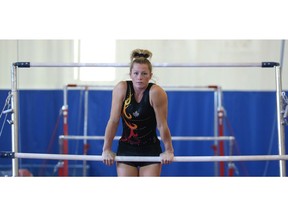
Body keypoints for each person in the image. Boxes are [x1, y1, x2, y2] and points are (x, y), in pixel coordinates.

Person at [102, 49, 174, 176]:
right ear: (130, 74)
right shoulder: (121, 89)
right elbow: (113, 121)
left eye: (144, 74)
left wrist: (169, 151)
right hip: (127, 149)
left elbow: (162, 125)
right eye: (136, 73)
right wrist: (106, 149)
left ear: (150, 76)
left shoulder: (156, 92)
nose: (139, 78)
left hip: (150, 149)